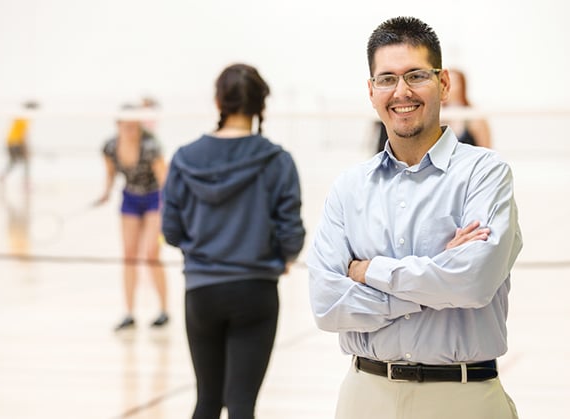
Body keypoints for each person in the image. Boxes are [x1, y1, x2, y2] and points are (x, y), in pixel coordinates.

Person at [307, 16, 522, 419]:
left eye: (415, 76)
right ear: (371, 92)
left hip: (464, 399)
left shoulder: (486, 173)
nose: (401, 91)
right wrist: (439, 281)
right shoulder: (349, 188)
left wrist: (369, 271)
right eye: (386, 79)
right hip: (365, 397)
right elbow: (327, 305)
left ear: (443, 84)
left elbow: (473, 283)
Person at [161, 63, 305, 419]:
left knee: (207, 401)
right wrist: (285, 255)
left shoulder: (184, 158)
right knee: (241, 404)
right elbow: (291, 229)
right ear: (261, 106)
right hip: (255, 291)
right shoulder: (278, 160)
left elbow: (171, 229)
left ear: (218, 102)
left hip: (202, 292)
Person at [97, 104, 169, 331]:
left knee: (151, 254)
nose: (130, 129)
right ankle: (129, 313)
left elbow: (164, 179)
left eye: (134, 125)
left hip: (154, 199)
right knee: (128, 256)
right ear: (118, 125)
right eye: (126, 125)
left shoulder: (151, 146)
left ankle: (163, 310)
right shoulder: (110, 147)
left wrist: (169, 207)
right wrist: (106, 193)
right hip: (130, 199)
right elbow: (110, 173)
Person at [441, 68, 492, 148]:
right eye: (444, 83)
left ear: (462, 86)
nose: (448, 87)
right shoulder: (438, 116)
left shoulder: (474, 116)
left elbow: (487, 149)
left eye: (453, 83)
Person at [0, 100, 38, 187]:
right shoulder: (25, 119)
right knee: (25, 161)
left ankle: (3, 177)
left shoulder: (19, 117)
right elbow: (23, 135)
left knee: (14, 161)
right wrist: (25, 147)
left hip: (10, 142)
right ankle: (26, 182)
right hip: (15, 143)